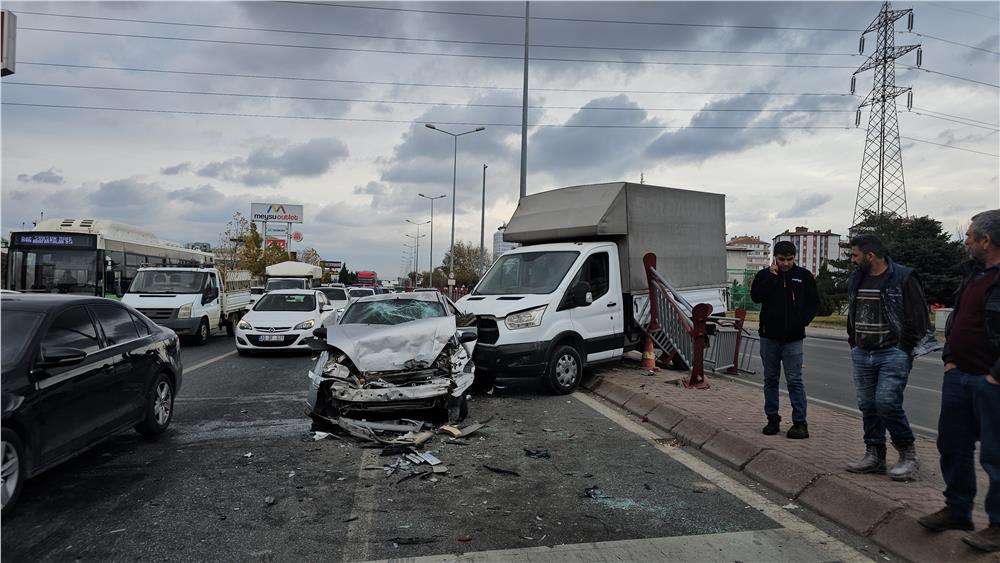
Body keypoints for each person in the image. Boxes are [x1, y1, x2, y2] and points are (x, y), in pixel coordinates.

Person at [918, 209, 1000, 552]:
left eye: (970, 236)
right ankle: (957, 509)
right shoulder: (975, 276)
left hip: (991, 383)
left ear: (986, 240)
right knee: (952, 446)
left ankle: (998, 525)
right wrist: (950, 358)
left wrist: (996, 376)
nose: (965, 241)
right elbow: (958, 321)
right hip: (959, 377)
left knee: (996, 457)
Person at [845, 234, 939, 481]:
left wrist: (903, 347)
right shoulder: (857, 277)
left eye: (855, 255)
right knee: (868, 405)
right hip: (862, 352)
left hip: (892, 352)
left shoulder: (903, 277)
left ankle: (908, 454)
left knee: (886, 403)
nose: (852, 260)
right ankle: (874, 455)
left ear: (870, 255)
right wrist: (853, 341)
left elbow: (918, 316)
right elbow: (852, 310)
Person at [749, 241, 818, 439]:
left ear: (795, 258)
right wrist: (772, 277)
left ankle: (800, 423)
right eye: (781, 260)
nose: (786, 263)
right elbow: (756, 297)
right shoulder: (764, 275)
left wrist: (802, 322)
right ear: (775, 258)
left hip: (793, 339)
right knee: (770, 379)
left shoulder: (803, 276)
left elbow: (813, 303)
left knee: (795, 381)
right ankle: (772, 419)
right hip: (769, 337)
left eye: (789, 259)